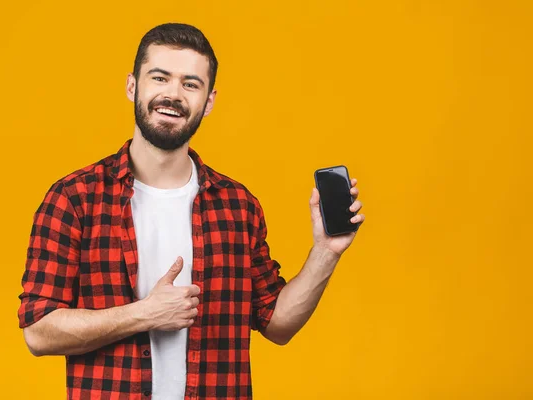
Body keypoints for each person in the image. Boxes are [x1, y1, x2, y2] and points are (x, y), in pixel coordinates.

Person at [18, 22, 365, 400]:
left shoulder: (238, 206)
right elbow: (38, 331)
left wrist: (325, 253)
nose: (173, 94)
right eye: (160, 77)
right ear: (132, 86)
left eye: (190, 84)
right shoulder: (75, 198)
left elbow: (278, 325)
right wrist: (144, 314)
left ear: (209, 101)